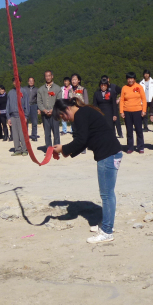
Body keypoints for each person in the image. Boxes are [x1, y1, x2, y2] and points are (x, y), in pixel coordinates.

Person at [52, 97, 123, 245]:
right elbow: (84, 140)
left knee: (107, 194)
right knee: (108, 193)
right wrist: (66, 152)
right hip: (111, 153)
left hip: (108, 154)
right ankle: (107, 224)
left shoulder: (81, 115)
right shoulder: (84, 112)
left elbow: (81, 140)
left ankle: (107, 231)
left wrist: (63, 148)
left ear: (67, 109)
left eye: (62, 116)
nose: (64, 120)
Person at [120, 72, 147, 154]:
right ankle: (130, 147)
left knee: (139, 130)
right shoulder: (124, 88)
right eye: (128, 79)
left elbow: (144, 99)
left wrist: (144, 110)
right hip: (127, 111)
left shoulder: (139, 87)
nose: (130, 80)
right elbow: (122, 100)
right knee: (129, 131)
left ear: (134, 79)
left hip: (137, 111)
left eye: (132, 78)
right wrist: (121, 111)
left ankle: (140, 147)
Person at [37, 70, 62, 149]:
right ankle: (49, 149)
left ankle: (56, 149)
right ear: (45, 77)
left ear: (52, 76)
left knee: (56, 133)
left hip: (55, 114)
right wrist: (44, 110)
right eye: (46, 76)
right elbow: (39, 102)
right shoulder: (40, 90)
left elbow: (59, 101)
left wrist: (53, 110)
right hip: (45, 114)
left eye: (49, 76)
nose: (48, 77)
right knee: (47, 133)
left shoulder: (57, 88)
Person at [7, 76, 30, 156]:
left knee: (22, 133)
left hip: (21, 116)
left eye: (17, 81)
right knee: (15, 134)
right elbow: (7, 106)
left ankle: (25, 149)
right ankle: (17, 149)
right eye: (14, 81)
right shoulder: (10, 93)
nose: (15, 83)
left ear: (20, 82)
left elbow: (27, 104)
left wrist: (26, 116)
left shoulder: (24, 91)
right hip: (13, 116)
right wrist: (8, 117)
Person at [26, 77, 39, 141]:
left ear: (34, 82)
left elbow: (38, 99)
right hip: (26, 106)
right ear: (28, 82)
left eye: (32, 81)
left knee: (34, 122)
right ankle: (25, 136)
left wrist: (38, 108)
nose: (31, 82)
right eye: (30, 81)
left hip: (34, 105)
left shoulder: (37, 89)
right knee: (25, 121)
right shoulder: (24, 89)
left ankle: (34, 136)